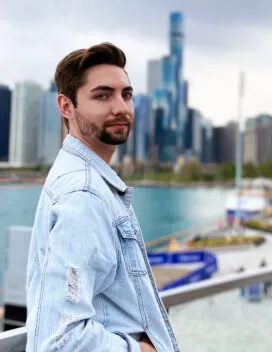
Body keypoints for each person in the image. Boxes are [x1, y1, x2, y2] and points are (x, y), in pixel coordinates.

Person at [26, 43, 179, 352]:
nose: (121, 107)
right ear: (66, 107)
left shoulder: (86, 178)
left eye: (127, 94)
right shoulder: (84, 194)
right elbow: (57, 341)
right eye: (102, 95)